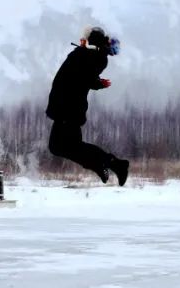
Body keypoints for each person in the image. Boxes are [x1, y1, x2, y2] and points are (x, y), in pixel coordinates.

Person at [46, 26, 131, 186]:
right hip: (67, 109)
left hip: (68, 109)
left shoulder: (86, 56)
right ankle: (105, 165)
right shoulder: (89, 56)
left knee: (59, 147)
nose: (81, 40)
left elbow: (81, 76)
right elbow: (82, 77)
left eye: (85, 38)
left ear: (92, 42)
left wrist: (97, 82)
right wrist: (98, 83)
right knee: (62, 147)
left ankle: (113, 164)